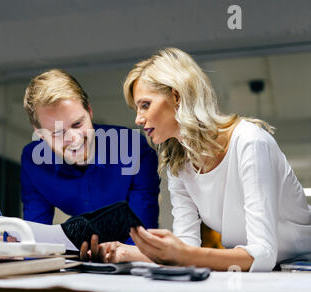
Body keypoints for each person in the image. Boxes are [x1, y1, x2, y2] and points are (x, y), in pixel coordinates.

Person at [81, 48, 311, 272]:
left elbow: (263, 253)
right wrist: (124, 253)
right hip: (254, 272)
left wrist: (183, 253)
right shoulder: (178, 164)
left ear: (177, 96)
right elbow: (186, 248)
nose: (138, 119)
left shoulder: (250, 142)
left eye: (145, 105)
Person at [19, 69, 160, 247]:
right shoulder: (33, 162)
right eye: (57, 133)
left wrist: (109, 256)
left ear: (90, 112)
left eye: (78, 124)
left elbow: (143, 238)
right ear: (40, 134)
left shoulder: (133, 148)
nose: (74, 138)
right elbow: (35, 237)